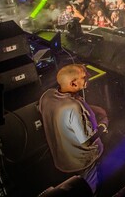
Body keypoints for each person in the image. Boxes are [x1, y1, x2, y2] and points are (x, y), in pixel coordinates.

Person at [38, 64, 109, 194]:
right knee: (88, 191)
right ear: (73, 83)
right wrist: (103, 125)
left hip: (62, 162)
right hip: (84, 163)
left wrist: (87, 107)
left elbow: (60, 109)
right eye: (84, 76)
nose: (88, 76)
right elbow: (87, 141)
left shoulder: (47, 96)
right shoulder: (74, 107)